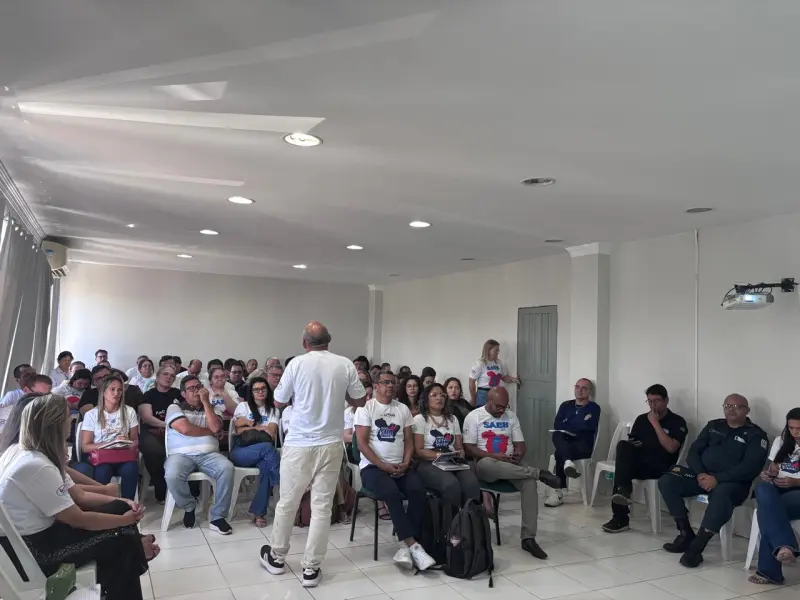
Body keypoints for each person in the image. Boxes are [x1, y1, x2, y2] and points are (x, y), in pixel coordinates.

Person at [0, 394, 153, 600]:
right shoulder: (36, 465)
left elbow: (79, 496)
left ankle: (132, 555)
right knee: (122, 540)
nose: (71, 422)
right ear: (55, 425)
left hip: (29, 540)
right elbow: (77, 518)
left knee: (119, 511)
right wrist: (126, 521)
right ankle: (135, 554)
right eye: (67, 418)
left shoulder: (25, 452)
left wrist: (122, 502)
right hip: (34, 551)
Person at [260, 321, 366, 588]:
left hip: (299, 444)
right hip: (331, 444)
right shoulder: (344, 364)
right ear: (329, 340)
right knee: (321, 507)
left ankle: (277, 558)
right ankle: (311, 568)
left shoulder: (296, 364)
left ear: (304, 343)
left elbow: (278, 401)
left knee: (288, 502)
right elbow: (360, 400)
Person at [658, 394, 768, 567]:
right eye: (727, 406)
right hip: (702, 476)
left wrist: (717, 479)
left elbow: (750, 467)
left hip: (733, 482)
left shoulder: (756, 435)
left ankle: (696, 548)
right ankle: (685, 533)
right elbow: (693, 452)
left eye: (736, 407)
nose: (730, 410)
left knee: (722, 494)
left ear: (747, 410)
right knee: (667, 480)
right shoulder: (713, 426)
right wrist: (701, 474)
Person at [463, 387, 560, 559]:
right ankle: (538, 473)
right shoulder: (474, 416)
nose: (502, 410)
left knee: (529, 483)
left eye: (505, 406)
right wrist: (494, 456)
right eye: (498, 406)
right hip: (487, 466)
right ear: (488, 401)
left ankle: (528, 538)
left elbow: (520, 444)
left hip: (511, 465)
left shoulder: (511, 416)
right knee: (487, 463)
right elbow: (469, 448)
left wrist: (518, 455)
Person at [355, 371, 436, 570]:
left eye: (393, 383)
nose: (391, 386)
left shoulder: (402, 409)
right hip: (373, 468)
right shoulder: (366, 408)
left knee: (418, 490)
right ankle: (413, 545)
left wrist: (406, 463)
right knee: (391, 492)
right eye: (386, 382)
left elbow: (409, 441)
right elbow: (362, 444)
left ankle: (405, 546)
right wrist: (383, 465)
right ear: (376, 385)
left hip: (401, 466)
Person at [602, 384, 688, 532]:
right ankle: (621, 500)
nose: (653, 405)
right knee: (623, 448)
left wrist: (655, 423)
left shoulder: (677, 421)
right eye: (649, 401)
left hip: (661, 466)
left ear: (666, 401)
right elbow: (633, 442)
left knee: (622, 473)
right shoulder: (642, 419)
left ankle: (620, 515)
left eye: (657, 401)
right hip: (640, 462)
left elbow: (671, 447)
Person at [165, 376, 234, 534]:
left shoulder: (213, 408)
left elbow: (216, 427)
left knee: (227, 468)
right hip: (180, 455)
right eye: (192, 388)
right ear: (183, 393)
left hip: (209, 455)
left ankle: (218, 517)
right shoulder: (175, 407)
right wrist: (210, 431)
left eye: (199, 386)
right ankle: (189, 506)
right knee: (172, 474)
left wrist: (206, 403)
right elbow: (185, 429)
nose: (197, 391)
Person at [748, 408, 800, 585]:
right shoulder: (781, 441)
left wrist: (795, 482)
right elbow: (772, 468)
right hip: (778, 489)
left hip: (797, 492)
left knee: (767, 511)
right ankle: (785, 547)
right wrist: (768, 474)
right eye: (791, 428)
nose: (795, 432)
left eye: (799, 428)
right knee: (762, 488)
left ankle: (769, 571)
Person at [413, 383, 480, 507]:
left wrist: (459, 454)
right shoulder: (420, 419)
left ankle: (470, 517)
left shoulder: (452, 419)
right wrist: (440, 456)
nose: (439, 398)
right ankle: (451, 519)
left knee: (471, 483)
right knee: (451, 485)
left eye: (442, 395)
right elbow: (419, 451)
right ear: (426, 399)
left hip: (452, 461)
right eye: (434, 395)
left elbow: (459, 447)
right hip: (428, 462)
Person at [74, 375, 139, 500]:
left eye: (119, 390)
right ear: (103, 392)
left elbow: (135, 440)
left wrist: (127, 443)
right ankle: (103, 505)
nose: (116, 393)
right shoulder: (92, 414)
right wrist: (111, 443)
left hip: (123, 455)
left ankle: (128, 505)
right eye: (112, 389)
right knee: (102, 471)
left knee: (131, 468)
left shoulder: (129, 411)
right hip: (101, 457)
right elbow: (85, 447)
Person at [229, 376, 280, 528]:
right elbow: (238, 429)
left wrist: (249, 427)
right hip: (241, 451)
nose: (260, 392)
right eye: (256, 389)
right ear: (251, 392)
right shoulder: (243, 406)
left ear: (267, 391)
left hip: (264, 454)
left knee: (267, 467)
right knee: (269, 449)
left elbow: (271, 432)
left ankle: (259, 513)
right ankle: (280, 483)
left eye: (263, 389)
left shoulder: (273, 410)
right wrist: (260, 428)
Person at [545, 378, 601, 507]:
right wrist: (580, 422)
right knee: (557, 434)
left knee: (560, 453)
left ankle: (558, 494)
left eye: (584, 388)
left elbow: (588, 427)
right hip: (565, 441)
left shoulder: (594, 408)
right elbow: (557, 424)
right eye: (577, 387)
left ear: (590, 391)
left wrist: (568, 424)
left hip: (583, 445)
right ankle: (568, 462)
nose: (580, 390)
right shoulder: (566, 405)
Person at [138, 367, 181, 503]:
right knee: (155, 451)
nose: (169, 377)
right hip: (153, 431)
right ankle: (161, 491)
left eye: (172, 376)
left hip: (175, 431)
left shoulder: (178, 394)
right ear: (157, 376)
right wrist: (167, 425)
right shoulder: (148, 395)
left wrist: (172, 427)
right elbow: (147, 418)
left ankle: (186, 490)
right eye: (165, 374)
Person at [468, 339, 520, 407]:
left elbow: (504, 377)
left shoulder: (498, 362)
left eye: (498, 350)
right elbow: (471, 383)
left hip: (496, 393)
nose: (497, 353)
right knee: (484, 413)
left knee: (496, 412)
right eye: (495, 350)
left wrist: (514, 380)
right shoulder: (480, 364)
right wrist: (473, 399)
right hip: (483, 394)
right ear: (488, 351)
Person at [0, 364, 36, 431]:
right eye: (27, 375)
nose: (32, 377)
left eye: (33, 374)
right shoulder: (13, 396)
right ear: (17, 380)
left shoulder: (43, 393)